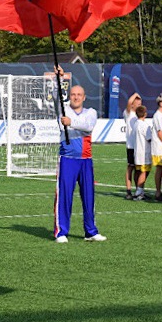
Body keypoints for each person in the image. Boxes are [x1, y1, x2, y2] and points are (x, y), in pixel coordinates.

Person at [53, 80, 106, 242]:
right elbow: (56, 98)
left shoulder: (91, 112)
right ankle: (61, 232)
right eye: (73, 94)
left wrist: (71, 122)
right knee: (65, 196)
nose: (76, 97)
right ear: (69, 97)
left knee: (89, 197)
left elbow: (88, 126)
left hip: (86, 160)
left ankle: (91, 231)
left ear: (84, 97)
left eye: (79, 95)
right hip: (67, 160)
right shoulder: (63, 110)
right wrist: (59, 79)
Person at [131, 105, 152, 200]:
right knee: (144, 171)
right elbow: (149, 138)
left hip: (137, 151)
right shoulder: (144, 125)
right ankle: (139, 191)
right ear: (145, 114)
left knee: (138, 171)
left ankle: (140, 190)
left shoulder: (135, 124)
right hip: (144, 152)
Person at [123, 93, 142, 200]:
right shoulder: (129, 114)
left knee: (138, 168)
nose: (139, 105)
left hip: (139, 146)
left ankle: (137, 190)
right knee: (130, 167)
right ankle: (128, 190)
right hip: (131, 146)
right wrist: (135, 94)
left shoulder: (139, 115)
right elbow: (129, 102)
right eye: (137, 103)